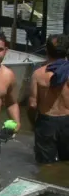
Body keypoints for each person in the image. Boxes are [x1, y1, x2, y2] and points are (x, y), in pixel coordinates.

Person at [28, 34, 69, 164]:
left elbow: (32, 105)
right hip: (67, 121)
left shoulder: (38, 74)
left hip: (46, 123)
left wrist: (33, 123)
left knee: (45, 164)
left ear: (46, 50)